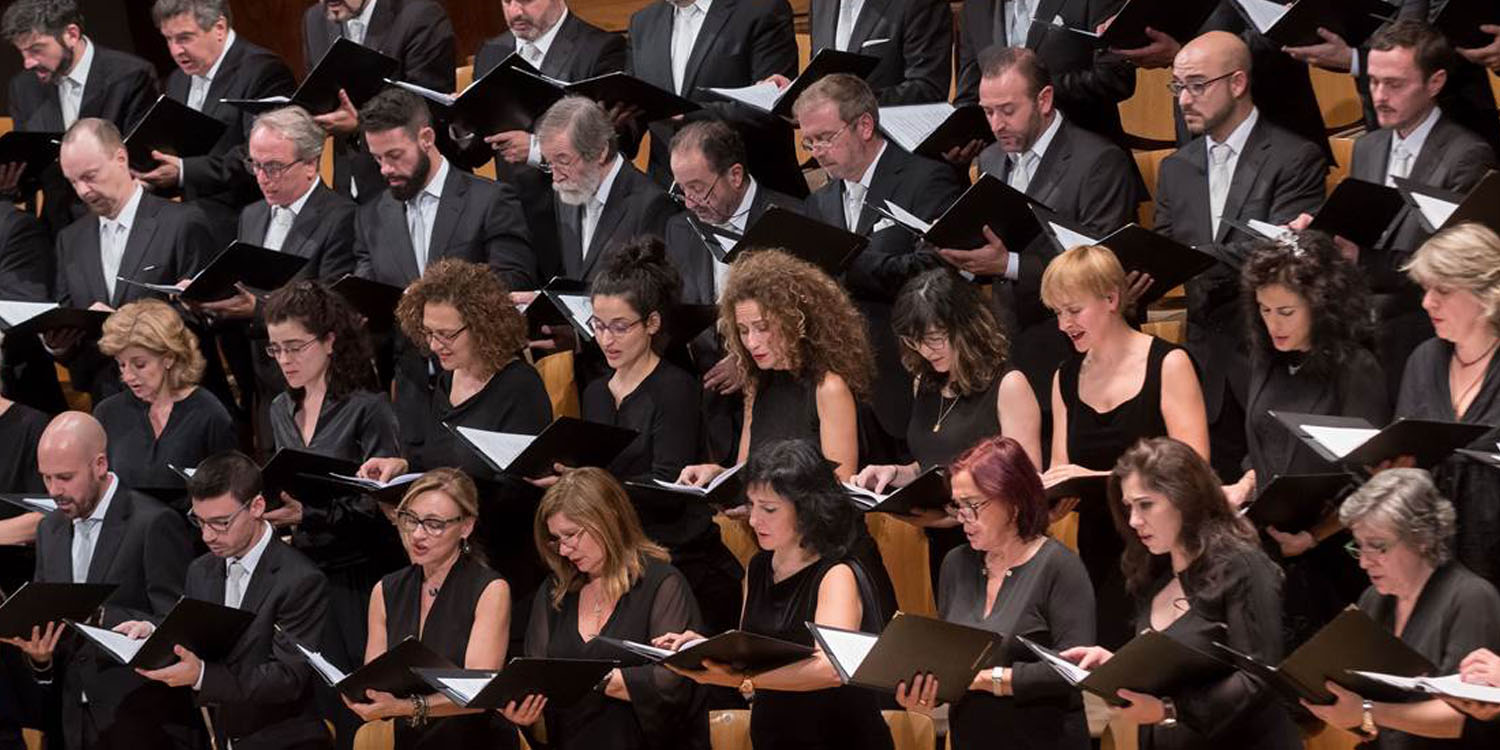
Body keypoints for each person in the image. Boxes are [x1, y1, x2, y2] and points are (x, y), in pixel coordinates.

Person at [1152, 30, 1329, 482]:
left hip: (1269, 355)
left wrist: (1192, 258)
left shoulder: (1296, 157)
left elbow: (1280, 253)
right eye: (1177, 87)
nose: (1183, 100)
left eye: (1196, 85)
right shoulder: (1175, 169)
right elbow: (1164, 247)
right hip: (1204, 363)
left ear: (1236, 83)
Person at [357, 258, 549, 650]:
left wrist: (448, 504)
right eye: (428, 333)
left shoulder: (519, 385)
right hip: (452, 559)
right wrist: (405, 470)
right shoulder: (446, 380)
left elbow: (521, 490)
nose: (434, 345)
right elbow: (441, 461)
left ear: (482, 327)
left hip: (505, 566)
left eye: (447, 334)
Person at [1060, 437, 1300, 750]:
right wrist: (1119, 666)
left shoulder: (1244, 566)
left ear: (1186, 498)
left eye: (1146, 504)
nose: (1134, 521)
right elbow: (1179, 665)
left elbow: (1258, 679)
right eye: (1129, 507)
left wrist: (1167, 710)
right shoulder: (1152, 576)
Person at [655, 439, 896, 750]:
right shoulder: (758, 568)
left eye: (768, 509)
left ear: (807, 510)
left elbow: (832, 669)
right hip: (774, 736)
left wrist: (743, 680)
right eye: (752, 505)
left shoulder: (837, 574)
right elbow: (750, 651)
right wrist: (703, 648)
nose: (754, 520)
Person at [1039, 244, 1207, 648]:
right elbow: (1063, 469)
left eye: (1074, 310)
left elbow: (1194, 469)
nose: (1064, 324)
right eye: (1057, 313)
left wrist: (1097, 477)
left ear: (1111, 299)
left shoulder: (1169, 363)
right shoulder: (1065, 376)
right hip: (1101, 550)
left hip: (1166, 547)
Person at [1224, 236, 1389, 646]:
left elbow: (1374, 478)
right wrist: (1244, 486)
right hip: (1270, 543)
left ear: (1320, 306)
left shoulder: (1355, 368)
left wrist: (1315, 535)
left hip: (1337, 549)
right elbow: (1263, 440)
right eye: (1263, 310)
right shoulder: (1266, 359)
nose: (1273, 324)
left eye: (1285, 311)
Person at [0, 411, 196, 750]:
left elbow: (180, 628)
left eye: (65, 477)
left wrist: (107, 617)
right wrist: (40, 658)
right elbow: (50, 625)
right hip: (71, 723)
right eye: (46, 478)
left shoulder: (153, 524)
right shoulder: (50, 529)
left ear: (100, 464)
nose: (54, 491)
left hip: (143, 724)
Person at [577, 238, 742, 633]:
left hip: (679, 563)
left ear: (651, 323)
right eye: (598, 326)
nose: (606, 340)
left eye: (620, 327)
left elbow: (667, 488)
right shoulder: (596, 391)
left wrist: (589, 491)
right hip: (621, 558)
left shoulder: (675, 388)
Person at [352, 87, 536, 438]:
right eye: (377, 159)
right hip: (414, 399)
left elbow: (511, 284)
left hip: (487, 390)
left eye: (394, 155)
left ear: (425, 137)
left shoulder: (491, 200)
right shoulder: (371, 215)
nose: (385, 169)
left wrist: (438, 306)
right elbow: (368, 288)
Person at [796, 73, 966, 447]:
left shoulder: (926, 179)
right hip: (841, 389)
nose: (816, 150)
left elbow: (936, 268)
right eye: (808, 141)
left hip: (905, 379)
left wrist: (847, 263)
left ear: (865, 126)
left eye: (825, 137)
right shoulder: (819, 202)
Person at [895, 436, 1094, 750]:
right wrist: (926, 691)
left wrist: (989, 680)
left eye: (972, 505)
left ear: (1014, 502)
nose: (963, 518)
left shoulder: (1059, 566)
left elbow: (1072, 670)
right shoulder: (955, 564)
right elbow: (951, 662)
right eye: (957, 506)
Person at [1331, 20, 1497, 396]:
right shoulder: (1368, 147)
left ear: (1434, 83)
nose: (1379, 95)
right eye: (1373, 81)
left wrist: (1361, 258)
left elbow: (1456, 265)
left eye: (1394, 84)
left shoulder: (1467, 155)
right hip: (1363, 325)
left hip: (1421, 327)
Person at [967, 45, 1137, 399]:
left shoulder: (1100, 161)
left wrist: (1009, 265)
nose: (997, 124)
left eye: (1008, 111)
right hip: (1011, 350)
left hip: (1080, 352)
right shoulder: (989, 160)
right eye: (988, 112)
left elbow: (1101, 264)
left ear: (1044, 100)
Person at [133, 450, 333, 750]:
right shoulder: (201, 570)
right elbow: (199, 635)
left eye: (221, 523)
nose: (208, 536)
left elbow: (287, 678)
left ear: (256, 506)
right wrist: (153, 632)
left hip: (285, 741)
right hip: (224, 736)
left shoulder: (301, 580)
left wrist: (202, 675)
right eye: (200, 522)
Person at [852, 269, 1042, 584]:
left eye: (935, 338)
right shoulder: (923, 384)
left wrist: (953, 518)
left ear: (966, 327)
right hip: (948, 554)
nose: (926, 351)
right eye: (915, 342)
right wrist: (896, 474)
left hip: (1003, 549)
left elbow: (1027, 486)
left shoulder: (1009, 385)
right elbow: (934, 464)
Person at [504, 467, 708, 749]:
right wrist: (525, 712)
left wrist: (584, 679)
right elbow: (538, 679)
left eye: (571, 534)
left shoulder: (661, 583)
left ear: (608, 519)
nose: (563, 550)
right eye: (556, 539)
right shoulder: (555, 591)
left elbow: (672, 682)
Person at [261, 280, 403, 674]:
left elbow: (381, 506)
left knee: (360, 680)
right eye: (276, 348)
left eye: (295, 347)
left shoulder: (367, 408)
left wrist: (307, 514)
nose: (285, 359)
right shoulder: (279, 409)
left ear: (329, 341)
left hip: (360, 573)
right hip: (306, 570)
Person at [1302, 469, 1500, 748]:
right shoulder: (1374, 598)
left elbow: (1461, 717)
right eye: (1359, 547)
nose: (1364, 562)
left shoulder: (1471, 598)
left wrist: (1369, 712)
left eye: (1378, 547)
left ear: (1422, 539)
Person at [212, 104, 359, 454]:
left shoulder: (341, 217)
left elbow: (332, 306)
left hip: (320, 388)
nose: (262, 177)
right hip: (263, 383)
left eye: (274, 167)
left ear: (310, 163)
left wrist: (259, 309)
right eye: (255, 165)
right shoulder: (251, 215)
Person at [662, 120, 805, 460]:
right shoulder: (679, 227)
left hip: (782, 398)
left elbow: (810, 313)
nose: (691, 202)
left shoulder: (791, 219)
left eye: (698, 188)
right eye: (682, 190)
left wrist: (748, 360)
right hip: (713, 407)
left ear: (735, 175)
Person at [348, 468, 518, 749]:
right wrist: (360, 695)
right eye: (410, 519)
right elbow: (375, 681)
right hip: (411, 740)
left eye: (434, 524)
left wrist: (407, 707)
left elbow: (478, 695)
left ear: (466, 526)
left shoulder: (490, 589)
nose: (417, 534)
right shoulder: (386, 590)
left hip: (474, 740)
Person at [676, 249, 874, 485]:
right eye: (743, 330)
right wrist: (718, 475)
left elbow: (838, 488)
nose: (751, 342)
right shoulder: (757, 383)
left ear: (795, 320)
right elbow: (747, 472)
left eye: (762, 327)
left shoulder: (829, 387)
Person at [50, 117, 214, 402]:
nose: (83, 191)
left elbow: (205, 317)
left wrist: (125, 325)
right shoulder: (70, 240)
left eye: (90, 176)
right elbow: (70, 319)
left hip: (178, 399)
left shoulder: (182, 222)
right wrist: (59, 347)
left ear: (120, 158)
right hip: (108, 404)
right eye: (73, 181)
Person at [472, 0, 626, 262]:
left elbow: (612, 144)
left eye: (527, 1)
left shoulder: (600, 49)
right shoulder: (491, 52)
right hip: (512, 225)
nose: (515, 12)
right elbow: (474, 153)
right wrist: (459, 122)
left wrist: (536, 149)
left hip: (574, 220)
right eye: (507, 1)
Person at [1394, 223, 1500, 588]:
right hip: (1430, 568)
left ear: (1486, 294)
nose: (1427, 303)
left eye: (1442, 290)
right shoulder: (1423, 361)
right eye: (1426, 290)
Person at [142, 0, 296, 248]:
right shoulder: (177, 81)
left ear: (219, 28)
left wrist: (183, 172)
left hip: (246, 214)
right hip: (196, 215)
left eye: (185, 38)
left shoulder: (263, 70)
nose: (175, 50)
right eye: (168, 39)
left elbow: (259, 157)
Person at [2, 0, 158, 236]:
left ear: (71, 35)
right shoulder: (23, 88)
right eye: (21, 52)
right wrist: (12, 184)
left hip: (122, 222)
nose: (28, 62)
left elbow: (142, 164)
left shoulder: (130, 75)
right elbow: (31, 172)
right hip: (58, 229)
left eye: (36, 49)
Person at [624, 0, 805, 198]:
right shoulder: (642, 22)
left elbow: (772, 109)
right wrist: (611, 127)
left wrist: (687, 115)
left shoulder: (761, 9)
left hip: (749, 196)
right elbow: (636, 111)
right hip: (669, 202)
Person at [301, 0, 456, 202]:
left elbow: (429, 110)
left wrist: (360, 125)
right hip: (349, 188)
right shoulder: (314, 20)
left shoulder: (421, 16)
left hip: (414, 186)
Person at [94, 299, 236, 506]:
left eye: (139, 364)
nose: (128, 376)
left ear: (169, 358)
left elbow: (229, 493)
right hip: (127, 534)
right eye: (122, 365)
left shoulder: (209, 413)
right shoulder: (107, 413)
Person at [954, 0, 1134, 153]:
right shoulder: (975, 7)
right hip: (1007, 168)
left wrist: (1035, 92)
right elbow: (970, 95)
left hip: (1085, 162)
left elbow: (1117, 78)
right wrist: (956, 139)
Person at [534, 96, 677, 283]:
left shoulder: (651, 205)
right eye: (549, 164)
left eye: (563, 162)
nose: (556, 177)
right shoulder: (566, 194)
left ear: (600, 151)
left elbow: (649, 291)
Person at [804, 0, 950, 104]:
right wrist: (796, 94)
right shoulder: (819, 3)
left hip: (889, 141)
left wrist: (852, 103)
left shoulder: (918, 3)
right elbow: (820, 79)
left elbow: (929, 88)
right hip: (827, 144)